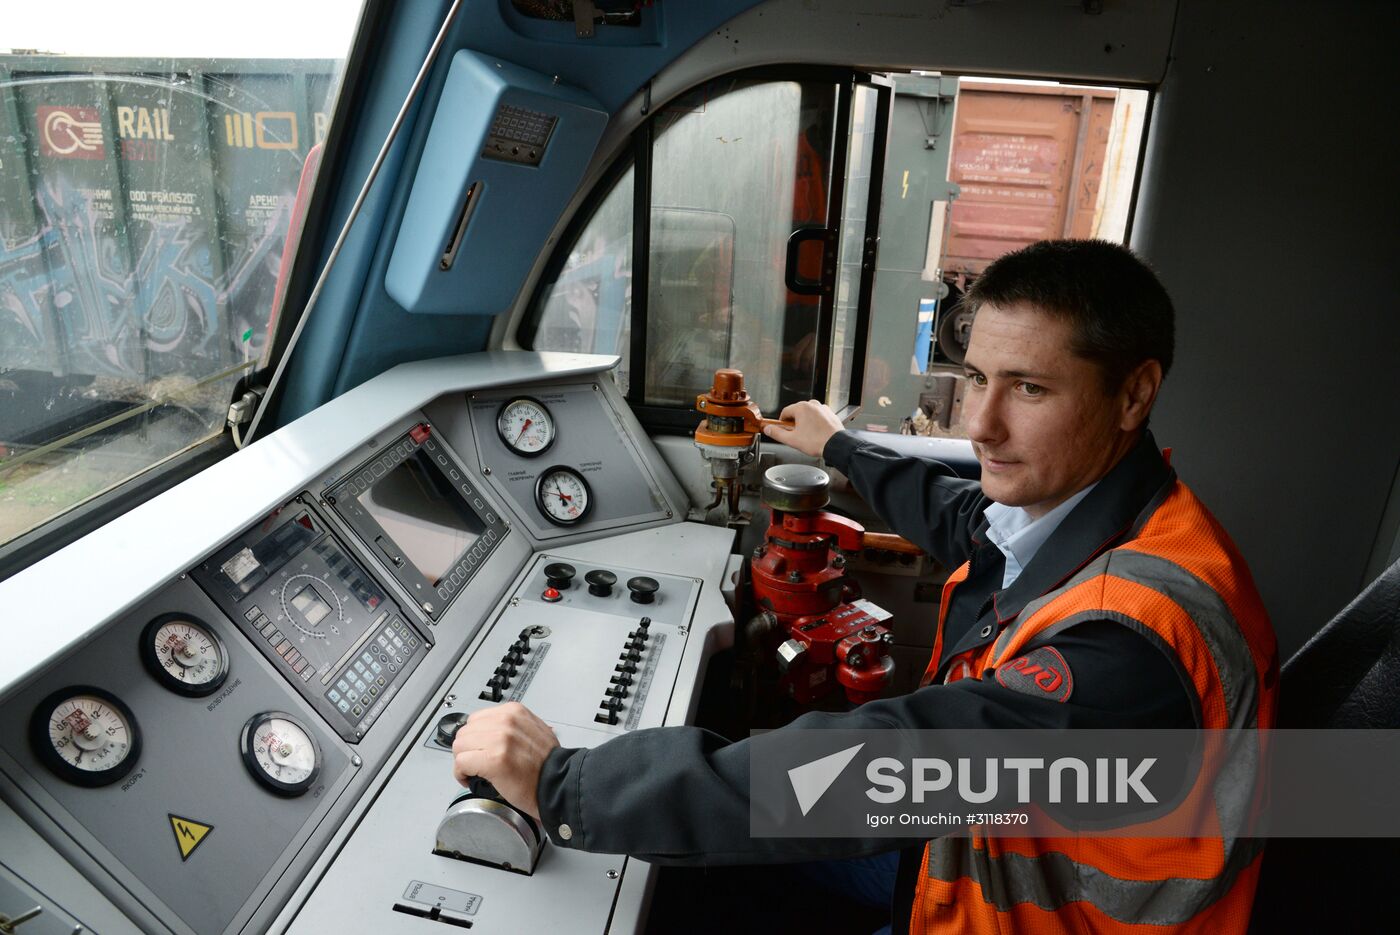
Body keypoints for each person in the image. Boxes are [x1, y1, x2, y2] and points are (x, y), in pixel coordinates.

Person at [452, 239, 1279, 933]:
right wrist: (841, 449)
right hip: (979, 850)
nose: (983, 425)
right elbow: (963, 519)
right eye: (979, 379)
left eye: (1030, 388)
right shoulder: (1099, 512)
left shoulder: (1130, 642)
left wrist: (570, 785)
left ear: (1134, 392)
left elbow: (887, 766)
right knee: (703, 886)